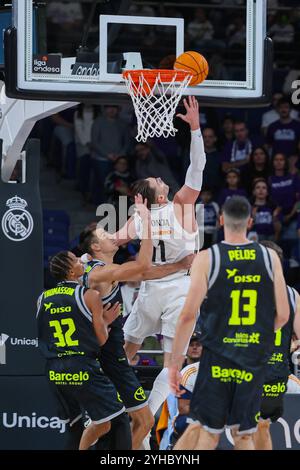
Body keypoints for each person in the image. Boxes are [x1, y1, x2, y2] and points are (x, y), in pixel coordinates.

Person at [113, 96, 206, 427]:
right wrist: (195, 129)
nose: (161, 179)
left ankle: (111, 405)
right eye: (157, 182)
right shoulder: (181, 204)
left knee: (126, 350)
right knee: (172, 362)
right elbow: (197, 169)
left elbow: (113, 241)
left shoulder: (141, 218)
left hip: (149, 290)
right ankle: (147, 416)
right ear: (160, 196)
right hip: (179, 289)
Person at [169, 196, 289, 450]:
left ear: (221, 220)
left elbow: (188, 315)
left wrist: (174, 361)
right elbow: (282, 315)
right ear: (251, 221)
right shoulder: (269, 258)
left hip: (217, 357)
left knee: (208, 433)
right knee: (244, 434)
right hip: (251, 357)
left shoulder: (207, 257)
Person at [80, 197, 194, 449]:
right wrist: (146, 225)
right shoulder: (102, 272)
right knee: (140, 421)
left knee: (116, 423)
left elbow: (147, 272)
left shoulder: (103, 269)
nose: (112, 236)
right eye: (105, 234)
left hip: (108, 353)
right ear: (97, 246)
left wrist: (178, 266)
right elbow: (144, 267)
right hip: (108, 354)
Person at [36, 251, 125, 450]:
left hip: (53, 369)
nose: (81, 261)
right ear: (70, 271)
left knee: (75, 429)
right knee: (113, 420)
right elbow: (101, 340)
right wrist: (106, 321)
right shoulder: (90, 295)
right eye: (76, 260)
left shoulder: (42, 298)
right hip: (81, 366)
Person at [253, 240, 300, 451]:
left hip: (247, 371)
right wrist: (290, 346)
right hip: (276, 374)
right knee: (262, 426)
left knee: (239, 431)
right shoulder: (293, 295)